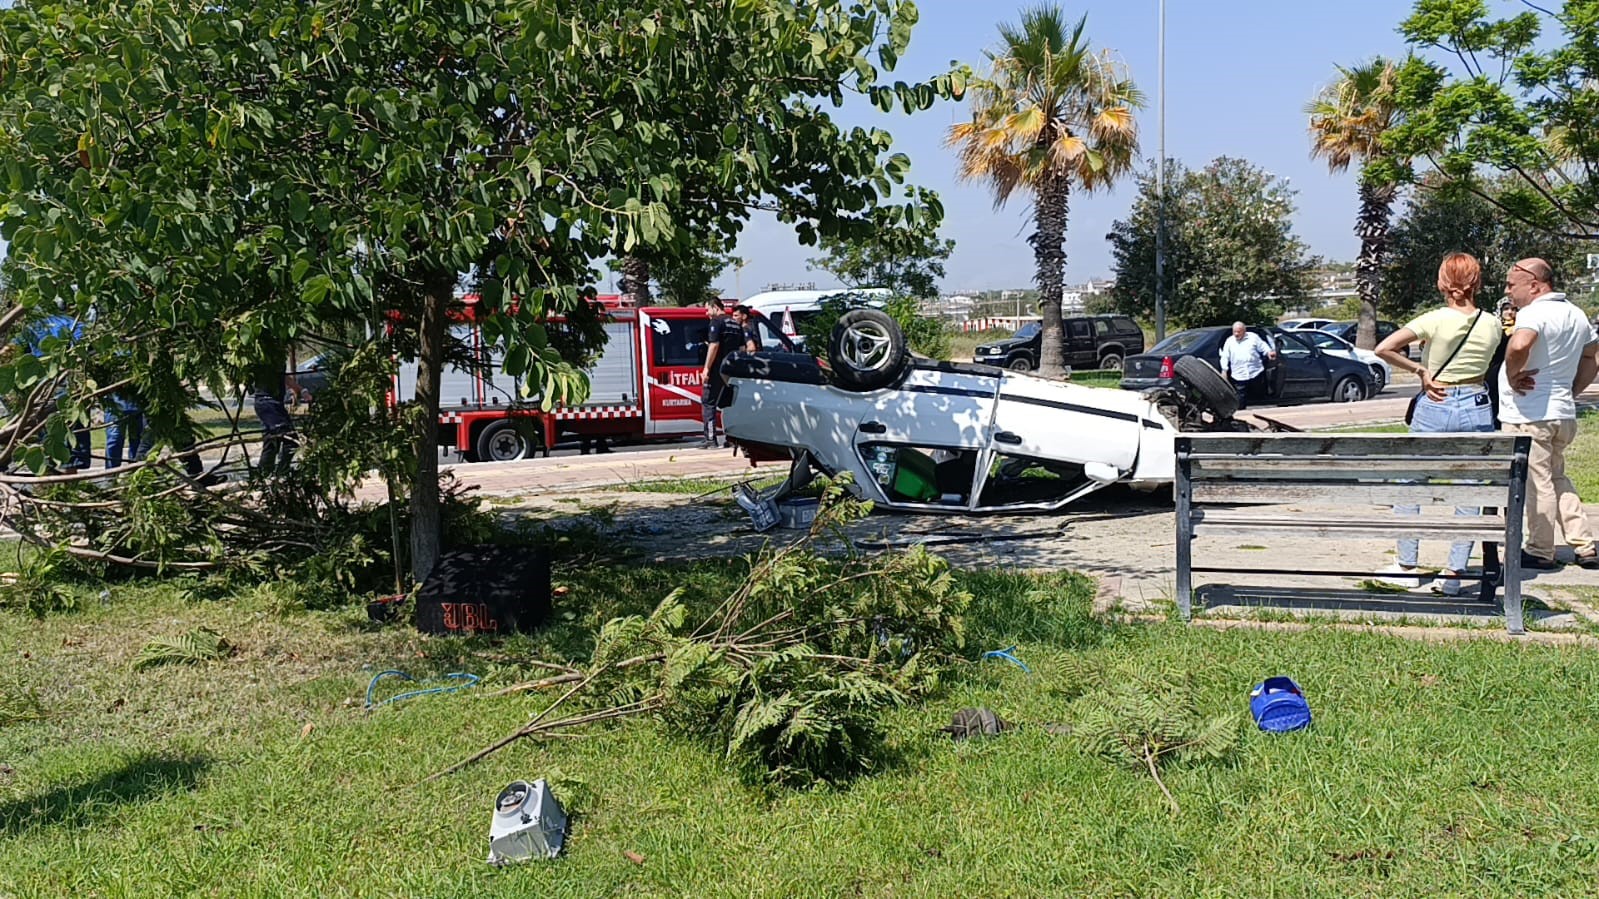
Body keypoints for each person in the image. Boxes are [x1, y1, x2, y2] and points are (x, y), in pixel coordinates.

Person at [1373, 253, 1503, 594]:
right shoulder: (1491, 323)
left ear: (1443, 283)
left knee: (1410, 484)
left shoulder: (1433, 319)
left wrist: (1421, 371)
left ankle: (1407, 565)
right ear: (1476, 282)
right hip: (1476, 401)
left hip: (1437, 401)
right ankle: (1454, 573)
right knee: (1470, 489)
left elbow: (1384, 348)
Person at [1498, 257, 1599, 570]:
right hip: (1561, 413)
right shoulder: (1575, 313)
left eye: (1511, 285)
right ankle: (1584, 545)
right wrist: (1571, 392)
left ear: (1534, 284)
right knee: (1556, 478)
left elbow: (1519, 345)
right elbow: (1592, 356)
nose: (1508, 291)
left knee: (1535, 482)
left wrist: (1514, 375)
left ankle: (1541, 549)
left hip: (1530, 414)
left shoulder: (1533, 313)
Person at [698, 300, 745, 449]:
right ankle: (732, 438)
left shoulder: (716, 322)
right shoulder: (735, 324)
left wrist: (706, 368)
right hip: (732, 371)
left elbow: (714, 345)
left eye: (707, 310)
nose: (706, 313)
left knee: (708, 402)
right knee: (728, 404)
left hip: (718, 369)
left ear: (715, 307)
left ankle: (710, 439)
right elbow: (742, 348)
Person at [250, 339, 297, 476]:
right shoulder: (263, 357)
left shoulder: (277, 358)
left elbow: (283, 377)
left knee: (272, 441)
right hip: (267, 403)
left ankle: (263, 474)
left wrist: (299, 390)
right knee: (290, 438)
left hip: (272, 403)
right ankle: (282, 472)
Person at [1217, 321, 1275, 409]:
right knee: (1240, 399)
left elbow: (1263, 346)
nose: (1236, 334)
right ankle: (1241, 413)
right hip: (1239, 374)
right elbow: (1225, 356)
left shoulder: (1253, 337)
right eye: (1234, 332)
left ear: (1244, 331)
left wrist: (1269, 352)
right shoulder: (1230, 341)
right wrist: (1224, 370)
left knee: (1258, 398)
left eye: (1239, 332)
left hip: (1255, 372)